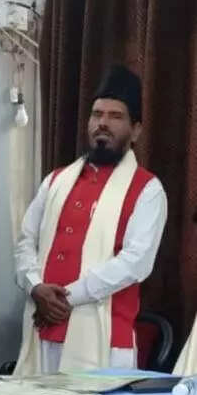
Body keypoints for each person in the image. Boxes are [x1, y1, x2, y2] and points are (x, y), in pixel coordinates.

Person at [14, 64, 167, 375]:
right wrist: (35, 286)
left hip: (105, 342)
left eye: (115, 116)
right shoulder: (55, 181)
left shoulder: (147, 189)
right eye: (97, 114)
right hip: (42, 329)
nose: (103, 123)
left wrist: (67, 298)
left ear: (136, 130)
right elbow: (25, 241)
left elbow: (136, 262)